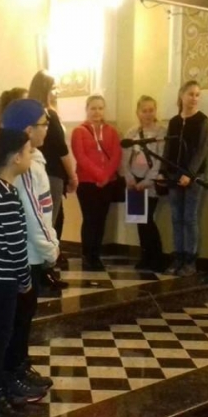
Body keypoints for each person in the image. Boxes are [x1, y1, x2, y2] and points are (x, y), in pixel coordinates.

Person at [0, 128, 45, 417]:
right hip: (3, 276)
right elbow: (16, 247)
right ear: (16, 157)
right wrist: (25, 281)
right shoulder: (6, 194)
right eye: (28, 151)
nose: (31, 156)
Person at [0, 99, 58, 391]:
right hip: (27, 255)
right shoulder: (26, 167)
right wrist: (51, 249)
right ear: (28, 130)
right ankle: (12, 374)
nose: (48, 129)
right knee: (19, 319)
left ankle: (20, 366)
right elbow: (35, 215)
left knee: (24, 317)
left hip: (30, 253)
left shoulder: (33, 160)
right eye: (44, 124)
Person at [160, 80, 208, 277]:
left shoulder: (202, 121)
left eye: (197, 95)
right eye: (191, 94)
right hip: (174, 175)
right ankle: (178, 257)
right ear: (182, 96)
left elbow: (201, 150)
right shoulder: (174, 122)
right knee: (176, 218)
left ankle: (190, 260)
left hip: (193, 178)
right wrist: (163, 170)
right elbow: (168, 147)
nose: (194, 98)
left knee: (189, 218)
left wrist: (189, 174)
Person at [28, 71, 79, 267]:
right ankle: (45, 269)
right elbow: (61, 150)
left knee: (43, 220)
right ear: (46, 89)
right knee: (48, 222)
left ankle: (46, 266)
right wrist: (72, 175)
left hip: (35, 171)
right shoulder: (49, 115)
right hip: (51, 175)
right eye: (54, 87)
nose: (57, 91)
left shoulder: (31, 113)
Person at [71, 95, 121, 271]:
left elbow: (116, 155)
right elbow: (81, 156)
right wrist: (99, 175)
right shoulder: (79, 131)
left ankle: (96, 255)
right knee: (90, 219)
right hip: (87, 183)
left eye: (100, 108)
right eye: (93, 108)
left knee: (101, 220)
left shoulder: (112, 131)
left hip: (108, 182)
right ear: (87, 110)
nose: (97, 112)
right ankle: (87, 255)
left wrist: (106, 176)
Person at [121, 95, 166, 271]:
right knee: (139, 220)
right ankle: (145, 256)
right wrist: (129, 177)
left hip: (151, 181)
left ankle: (157, 257)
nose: (148, 114)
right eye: (144, 111)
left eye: (151, 110)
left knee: (148, 219)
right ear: (138, 112)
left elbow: (160, 160)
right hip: (134, 180)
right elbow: (124, 159)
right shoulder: (131, 133)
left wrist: (148, 181)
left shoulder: (161, 132)